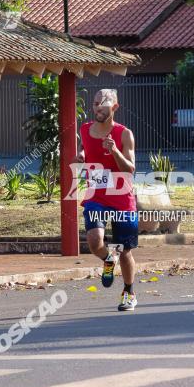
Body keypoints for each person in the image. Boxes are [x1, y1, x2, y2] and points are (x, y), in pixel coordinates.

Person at [74, 88, 138, 311]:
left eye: (103, 103)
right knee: (94, 240)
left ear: (115, 107)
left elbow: (130, 169)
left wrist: (115, 152)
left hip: (121, 197)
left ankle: (129, 292)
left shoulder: (124, 134)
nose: (97, 107)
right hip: (96, 195)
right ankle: (107, 259)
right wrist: (82, 155)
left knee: (125, 250)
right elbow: (85, 146)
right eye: (94, 103)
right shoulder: (84, 129)